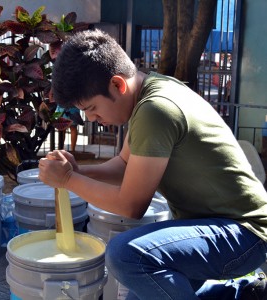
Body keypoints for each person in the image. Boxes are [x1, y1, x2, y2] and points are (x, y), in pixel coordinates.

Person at [38, 29, 267, 299]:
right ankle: (246, 293)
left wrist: (67, 180)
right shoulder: (149, 92)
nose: (90, 119)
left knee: (126, 256)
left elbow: (131, 205)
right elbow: (124, 165)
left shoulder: (155, 108)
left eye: (91, 108)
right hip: (216, 227)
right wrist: (78, 171)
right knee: (139, 292)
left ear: (117, 85)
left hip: (243, 235)